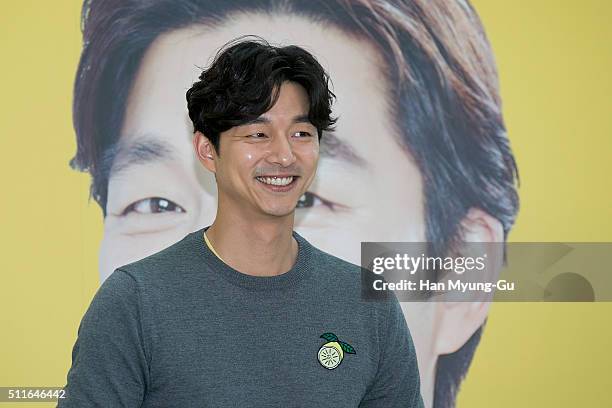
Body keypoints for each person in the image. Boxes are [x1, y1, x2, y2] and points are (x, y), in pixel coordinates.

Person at [68, 1, 519, 406]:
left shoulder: (369, 309)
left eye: (302, 134)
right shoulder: (133, 302)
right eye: (155, 203)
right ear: (207, 150)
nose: (282, 155)